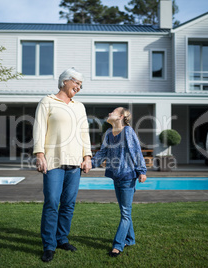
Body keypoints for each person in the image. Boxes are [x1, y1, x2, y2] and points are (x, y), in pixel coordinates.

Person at [33, 68, 92, 262]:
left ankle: (61, 238)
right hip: (53, 161)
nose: (79, 87)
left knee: (68, 204)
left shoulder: (79, 106)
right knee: (51, 202)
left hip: (75, 163)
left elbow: (85, 133)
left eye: (81, 85)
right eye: (77, 83)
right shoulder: (47, 101)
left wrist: (87, 156)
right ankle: (49, 245)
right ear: (65, 81)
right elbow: (39, 129)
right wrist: (39, 154)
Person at [91, 107, 147, 257]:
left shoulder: (128, 132)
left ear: (121, 116)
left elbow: (136, 151)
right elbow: (103, 151)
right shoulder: (109, 133)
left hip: (128, 176)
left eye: (113, 112)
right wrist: (91, 164)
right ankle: (130, 239)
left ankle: (118, 245)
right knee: (125, 210)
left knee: (125, 213)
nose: (109, 113)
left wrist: (142, 171)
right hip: (116, 176)